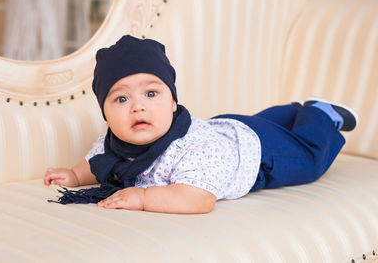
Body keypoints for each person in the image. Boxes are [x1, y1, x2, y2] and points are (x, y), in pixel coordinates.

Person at [44, 35, 358, 214]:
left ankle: (318, 113)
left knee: (310, 157)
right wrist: (73, 175)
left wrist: (142, 198)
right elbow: (94, 163)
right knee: (267, 123)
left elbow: (199, 199)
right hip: (227, 129)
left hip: (258, 155)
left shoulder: (190, 148)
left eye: (151, 93)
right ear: (106, 113)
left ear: (173, 103)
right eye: (121, 99)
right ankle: (291, 112)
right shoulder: (112, 143)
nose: (138, 105)